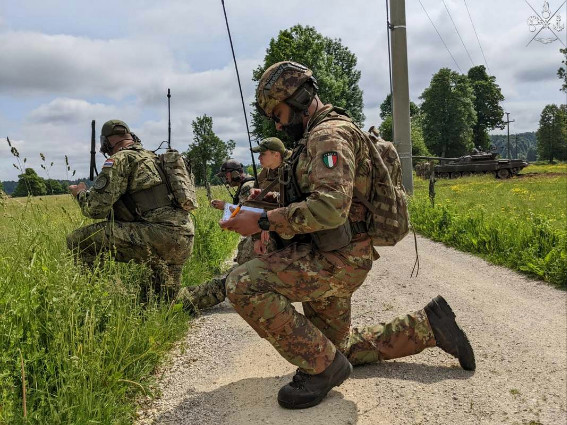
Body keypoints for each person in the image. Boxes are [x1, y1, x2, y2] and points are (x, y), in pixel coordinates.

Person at [220, 61, 475, 409]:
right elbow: (327, 197)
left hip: (335, 260)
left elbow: (330, 208)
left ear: (299, 99)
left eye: (278, 113)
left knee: (242, 284)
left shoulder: (329, 136)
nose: (278, 124)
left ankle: (323, 370)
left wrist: (265, 221)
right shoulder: (317, 136)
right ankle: (429, 327)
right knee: (333, 345)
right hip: (333, 252)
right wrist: (270, 203)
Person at [67, 119, 194, 299]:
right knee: (159, 302)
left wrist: (80, 194)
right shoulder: (153, 158)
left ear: (107, 142)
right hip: (183, 239)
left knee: (78, 240)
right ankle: (223, 286)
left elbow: (95, 210)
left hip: (158, 237)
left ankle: (94, 297)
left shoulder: (121, 159)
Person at [178, 141, 289, 312]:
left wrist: (225, 207)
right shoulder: (265, 176)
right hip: (268, 232)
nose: (259, 158)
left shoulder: (255, 184)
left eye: (262, 154)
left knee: (238, 276)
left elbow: (247, 214)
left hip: (272, 235)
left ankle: (186, 300)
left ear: (276, 154)